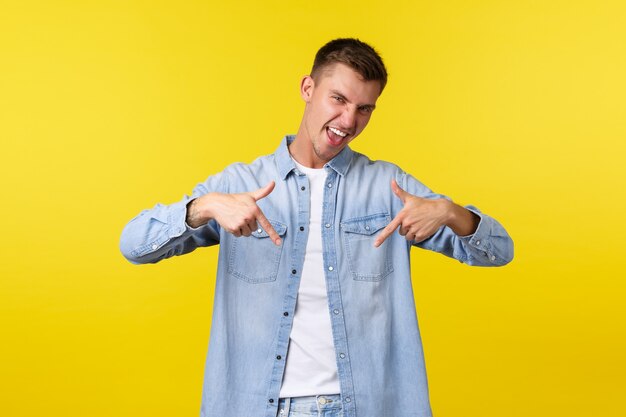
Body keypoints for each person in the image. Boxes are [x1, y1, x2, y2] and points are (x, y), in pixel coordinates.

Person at [120, 38, 514, 417]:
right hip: (259, 405)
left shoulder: (387, 187)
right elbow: (134, 246)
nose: (348, 121)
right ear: (308, 88)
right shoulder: (241, 183)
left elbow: (499, 250)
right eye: (338, 99)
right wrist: (203, 207)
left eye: (364, 108)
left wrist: (448, 212)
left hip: (367, 405)